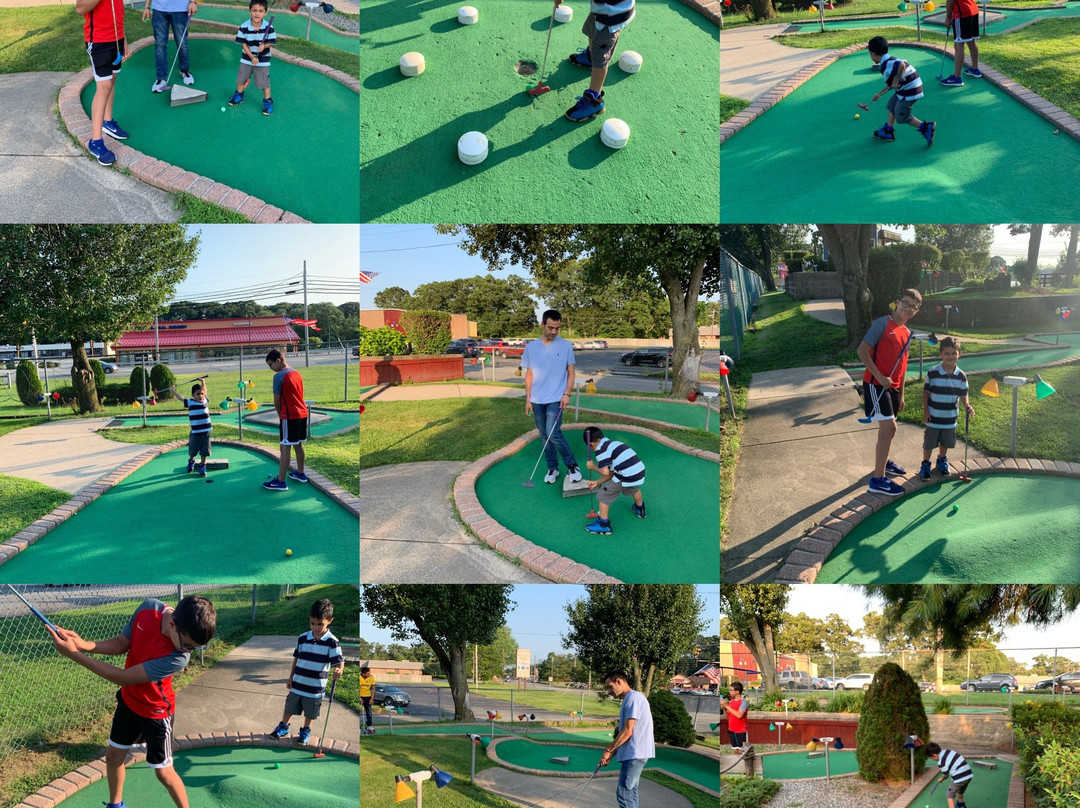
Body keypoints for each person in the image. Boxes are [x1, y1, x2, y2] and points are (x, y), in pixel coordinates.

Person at [47, 596, 217, 808]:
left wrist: (74, 654)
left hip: (156, 713)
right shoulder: (149, 608)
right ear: (172, 624)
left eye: (195, 648)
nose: (189, 652)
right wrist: (84, 645)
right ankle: (116, 805)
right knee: (113, 757)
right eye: (189, 645)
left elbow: (124, 677)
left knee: (164, 773)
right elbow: (121, 643)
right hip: (129, 702)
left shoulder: (178, 658)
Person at [857, 288, 922, 496]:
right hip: (876, 385)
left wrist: (901, 393)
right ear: (897, 302)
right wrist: (879, 377)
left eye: (913, 306)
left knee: (886, 430)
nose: (908, 308)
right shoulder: (882, 324)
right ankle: (878, 480)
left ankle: (884, 463)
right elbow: (862, 351)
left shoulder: (906, 332)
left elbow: (902, 366)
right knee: (890, 429)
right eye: (905, 303)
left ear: (916, 311)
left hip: (892, 388)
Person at [269, 598, 344, 744]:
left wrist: (339, 670)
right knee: (289, 707)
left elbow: (339, 661)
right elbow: (296, 659)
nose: (315, 627)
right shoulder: (303, 638)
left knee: (310, 712)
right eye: (312, 623)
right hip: (298, 683)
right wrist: (291, 678)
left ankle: (305, 731)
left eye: (320, 624)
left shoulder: (332, 642)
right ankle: (284, 727)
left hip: (315, 688)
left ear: (329, 620)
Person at [521, 310, 582, 485]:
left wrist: (567, 393)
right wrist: (528, 399)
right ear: (542, 325)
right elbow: (529, 375)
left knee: (553, 433)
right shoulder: (531, 347)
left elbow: (571, 373)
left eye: (557, 328)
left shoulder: (565, 346)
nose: (554, 332)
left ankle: (572, 465)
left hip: (557, 398)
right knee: (543, 435)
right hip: (537, 400)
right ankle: (552, 468)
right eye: (550, 328)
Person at [560, 0, 635, 122]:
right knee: (592, 32)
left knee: (600, 59)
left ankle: (594, 100)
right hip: (600, 11)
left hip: (611, 17)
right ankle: (590, 57)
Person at [76, 0, 129, 166]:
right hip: (98, 41)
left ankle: (107, 121)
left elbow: (117, 13)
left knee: (112, 80)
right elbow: (80, 8)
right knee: (104, 86)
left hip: (116, 39)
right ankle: (96, 141)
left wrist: (124, 39)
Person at [920, 336, 974, 480]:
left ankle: (941, 461)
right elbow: (926, 392)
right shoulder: (933, 372)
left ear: (959, 354)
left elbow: (964, 394)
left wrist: (967, 405)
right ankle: (925, 464)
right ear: (941, 354)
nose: (950, 356)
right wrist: (925, 411)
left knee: (945, 442)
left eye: (953, 353)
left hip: (950, 417)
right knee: (929, 443)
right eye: (947, 353)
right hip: (933, 416)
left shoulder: (961, 376)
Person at [599, 671, 654, 808]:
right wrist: (611, 754)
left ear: (619, 681)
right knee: (631, 791)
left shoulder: (633, 698)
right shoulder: (629, 699)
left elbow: (628, 731)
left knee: (624, 793)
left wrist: (609, 749)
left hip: (636, 754)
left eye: (610, 686)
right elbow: (628, 732)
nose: (608, 691)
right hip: (635, 753)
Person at [866, 36, 935, 146]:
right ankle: (888, 130)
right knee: (892, 105)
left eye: (869, 53)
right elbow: (891, 84)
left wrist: (896, 80)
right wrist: (879, 94)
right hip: (908, 87)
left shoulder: (887, 63)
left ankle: (926, 127)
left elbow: (901, 65)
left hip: (911, 89)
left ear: (873, 53)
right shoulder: (888, 60)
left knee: (902, 115)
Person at [583, 426, 645, 535]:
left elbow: (606, 472)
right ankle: (640, 509)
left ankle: (603, 525)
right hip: (638, 472)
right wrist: (597, 482)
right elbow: (612, 474)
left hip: (626, 474)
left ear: (591, 444)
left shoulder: (600, 450)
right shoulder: (613, 444)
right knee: (633, 487)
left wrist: (593, 466)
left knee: (603, 494)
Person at [263, 348, 309, 491]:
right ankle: (300, 473)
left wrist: (280, 415)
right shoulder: (296, 372)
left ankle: (280, 482)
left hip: (289, 416)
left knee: (285, 447)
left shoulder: (278, 376)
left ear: (278, 360)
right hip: (302, 413)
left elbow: (277, 401)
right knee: (298, 444)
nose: (270, 368)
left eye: (271, 365)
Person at [230, 0, 276, 116]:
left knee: (263, 81)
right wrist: (251, 56)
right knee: (241, 77)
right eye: (254, 10)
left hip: (263, 59)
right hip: (247, 58)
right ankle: (239, 95)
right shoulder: (244, 26)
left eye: (260, 11)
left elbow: (271, 42)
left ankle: (267, 100)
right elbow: (243, 43)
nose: (257, 13)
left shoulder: (269, 27)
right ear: (249, 11)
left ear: (265, 13)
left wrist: (264, 46)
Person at [143, 0, 198, 93]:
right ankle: (161, 77)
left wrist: (193, 2)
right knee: (160, 44)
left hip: (180, 9)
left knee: (182, 42)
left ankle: (184, 70)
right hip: (159, 9)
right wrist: (146, 7)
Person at [170, 380, 211, 477]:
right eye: (197, 394)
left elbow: (204, 390)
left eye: (201, 394)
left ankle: (202, 466)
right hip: (195, 433)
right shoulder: (191, 403)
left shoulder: (205, 400)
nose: (200, 396)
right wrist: (172, 391)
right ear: (193, 395)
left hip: (206, 433)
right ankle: (191, 461)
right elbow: (180, 398)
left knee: (205, 451)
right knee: (193, 450)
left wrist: (203, 381)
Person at [940, 0, 981, 86]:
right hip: (973, 10)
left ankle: (957, 77)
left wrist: (948, 17)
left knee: (959, 44)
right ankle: (975, 69)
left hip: (961, 14)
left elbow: (950, 2)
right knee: (971, 41)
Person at [926, 742, 973, 808]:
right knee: (960, 791)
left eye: (932, 758)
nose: (933, 760)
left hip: (959, 777)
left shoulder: (941, 762)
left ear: (934, 755)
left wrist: (941, 779)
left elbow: (946, 775)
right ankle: (961, 805)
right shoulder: (948, 751)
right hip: (968, 775)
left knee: (950, 795)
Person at [720, 681, 748, 750]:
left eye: (731, 690)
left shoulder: (743, 702)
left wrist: (727, 706)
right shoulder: (731, 702)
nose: (729, 692)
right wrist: (724, 708)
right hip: (731, 730)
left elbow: (739, 715)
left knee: (742, 751)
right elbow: (728, 718)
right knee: (735, 749)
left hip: (741, 731)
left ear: (737, 691)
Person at [359, 665, 375, 735]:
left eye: (369, 673)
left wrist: (371, 699)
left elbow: (373, 688)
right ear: (363, 673)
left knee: (369, 711)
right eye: (368, 673)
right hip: (360, 695)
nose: (369, 674)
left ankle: (369, 725)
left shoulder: (371, 678)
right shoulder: (359, 678)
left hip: (367, 696)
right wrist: (359, 698)